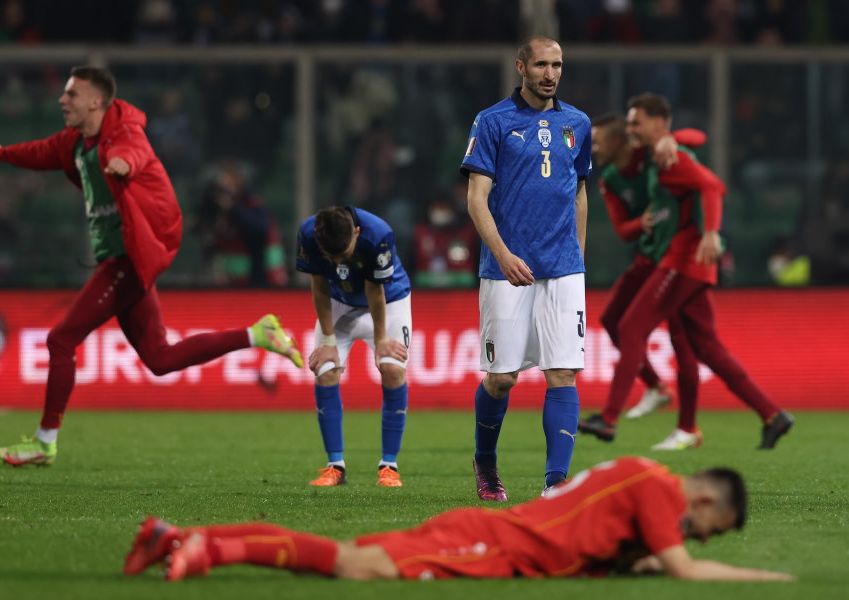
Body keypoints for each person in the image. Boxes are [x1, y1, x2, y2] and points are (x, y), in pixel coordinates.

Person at [0, 66, 303, 467]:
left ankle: (45, 442)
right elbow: (44, 151)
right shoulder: (77, 142)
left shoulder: (124, 137)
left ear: (96, 101)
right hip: (122, 259)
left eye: (72, 94)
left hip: (126, 260)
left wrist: (123, 167)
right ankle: (257, 334)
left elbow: (134, 154)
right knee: (160, 359)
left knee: (61, 341)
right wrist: (3, 152)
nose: (63, 100)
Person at [122, 456, 796, 583]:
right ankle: (208, 551)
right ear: (703, 503)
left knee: (341, 553)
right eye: (700, 530)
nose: (688, 538)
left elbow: (637, 552)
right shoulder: (659, 490)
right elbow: (680, 568)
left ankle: (179, 536)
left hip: (495, 532)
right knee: (358, 568)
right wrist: (763, 577)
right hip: (492, 544)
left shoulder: (638, 476)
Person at [579, 93, 795, 450]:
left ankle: (612, 417)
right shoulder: (637, 164)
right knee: (704, 348)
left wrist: (711, 232)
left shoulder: (666, 156)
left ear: (656, 124)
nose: (632, 129)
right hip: (669, 258)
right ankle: (771, 415)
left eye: (636, 123)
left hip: (682, 260)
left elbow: (712, 183)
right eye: (630, 124)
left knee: (633, 326)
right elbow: (626, 226)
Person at [460, 36, 590, 500]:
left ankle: (556, 482)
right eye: (540, 64)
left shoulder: (577, 123)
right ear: (521, 66)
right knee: (502, 379)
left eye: (557, 64)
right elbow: (476, 200)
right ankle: (486, 462)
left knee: (563, 372)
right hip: (506, 269)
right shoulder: (492, 121)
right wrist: (502, 254)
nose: (550, 73)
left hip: (563, 268)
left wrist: (577, 254)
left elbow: (579, 192)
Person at [591, 114, 709, 450]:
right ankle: (657, 388)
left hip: (677, 258)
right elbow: (622, 230)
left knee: (684, 341)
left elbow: (697, 136)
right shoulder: (610, 179)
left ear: (617, 141)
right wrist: (642, 222)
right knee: (613, 319)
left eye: (598, 140)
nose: (593, 147)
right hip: (650, 256)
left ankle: (687, 426)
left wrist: (670, 138)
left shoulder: (649, 154)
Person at [296, 206, 411, 487]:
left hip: (390, 301)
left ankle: (389, 466)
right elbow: (319, 286)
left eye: (342, 253)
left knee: (392, 370)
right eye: (331, 256)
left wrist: (382, 340)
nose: (337, 261)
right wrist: (328, 340)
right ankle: (335, 466)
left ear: (356, 232)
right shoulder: (308, 233)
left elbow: (375, 289)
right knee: (325, 370)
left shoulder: (378, 233)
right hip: (338, 302)